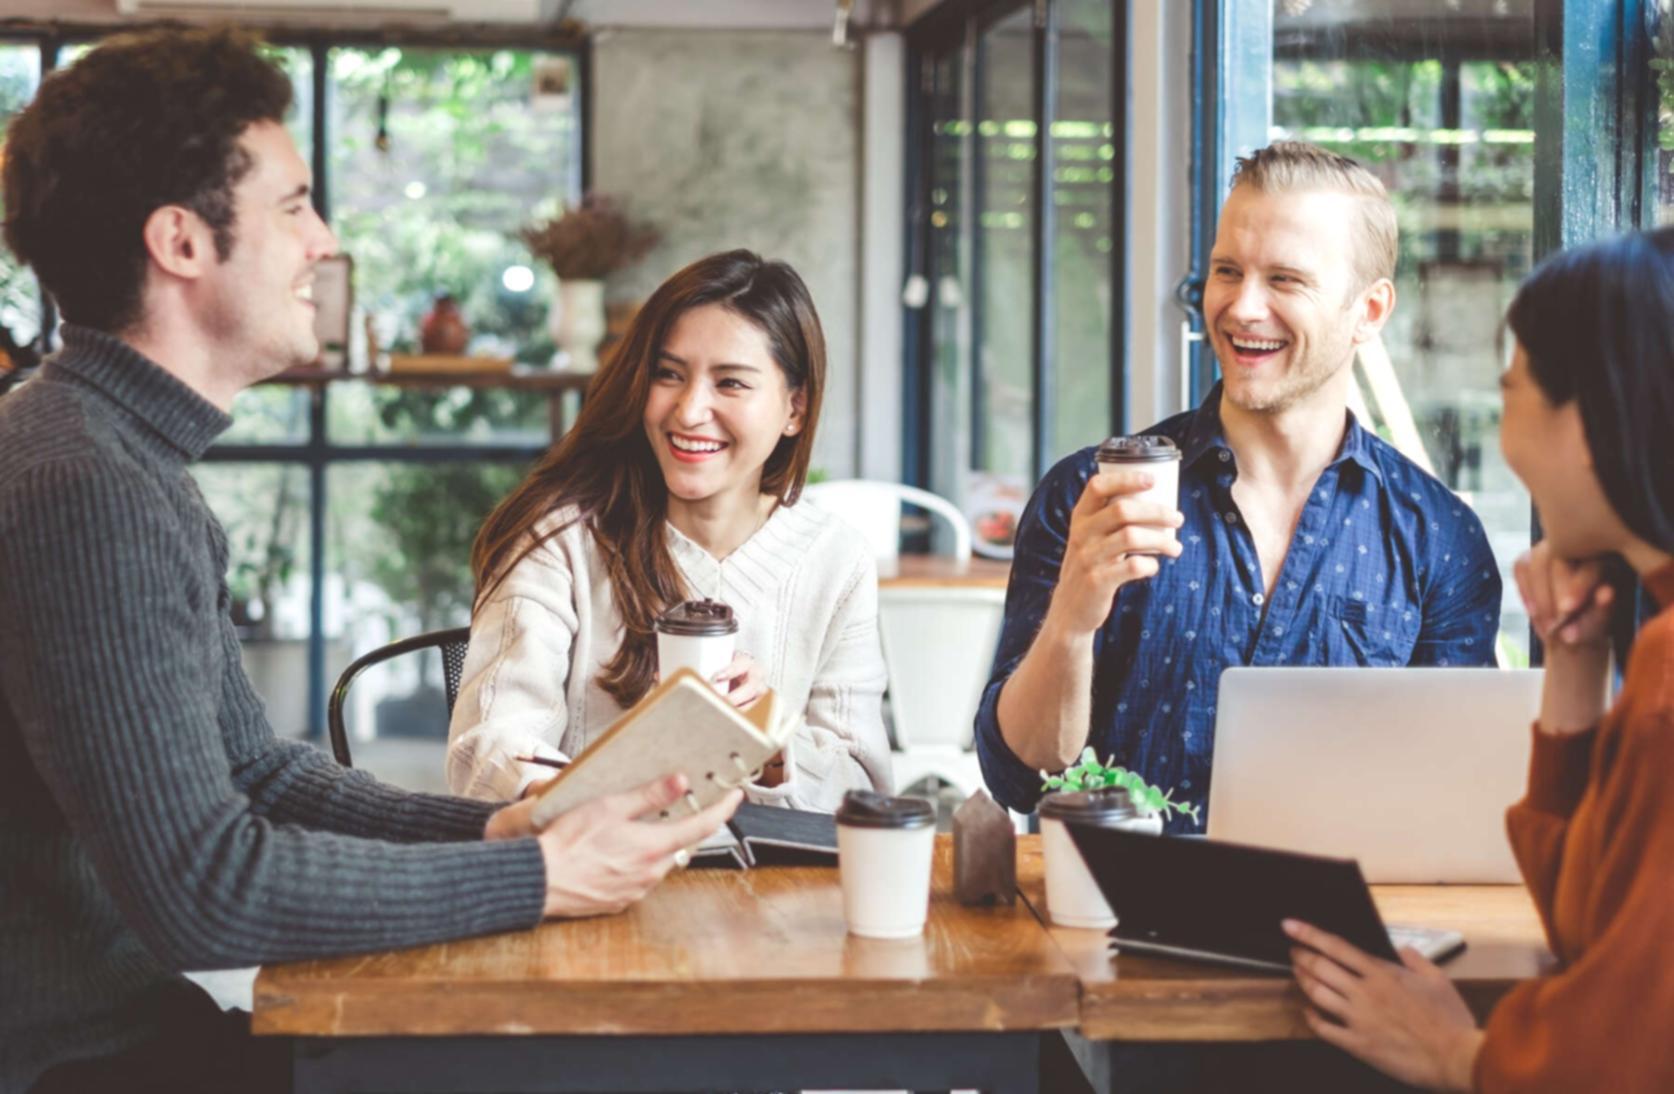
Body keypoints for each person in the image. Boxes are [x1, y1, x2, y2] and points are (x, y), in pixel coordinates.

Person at [0, 29, 738, 1093]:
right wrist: (539, 875)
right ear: (181, 242)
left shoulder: (119, 455)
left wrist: (502, 824)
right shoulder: (86, 485)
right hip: (75, 1060)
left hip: (124, 1031)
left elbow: (257, 773)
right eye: (294, 206)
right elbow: (201, 888)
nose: (325, 242)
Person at [975, 141, 1501, 827]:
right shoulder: (1090, 493)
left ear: (1369, 312)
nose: (1243, 307)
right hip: (1113, 923)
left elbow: (1459, 799)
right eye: (1228, 271)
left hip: (1329, 922)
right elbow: (1022, 777)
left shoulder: (1439, 539)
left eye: (1285, 280)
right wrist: (1072, 621)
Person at [1284, 229, 1674, 1091]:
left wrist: (1455, 1052)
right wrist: (1575, 660)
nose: (1504, 441)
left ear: (1593, 422)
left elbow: (1631, 1048)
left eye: (1512, 395)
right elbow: (1592, 926)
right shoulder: (1648, 652)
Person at [446, 250, 893, 811]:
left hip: (768, 892)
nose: (687, 411)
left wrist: (771, 744)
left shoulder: (837, 558)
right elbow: (486, 749)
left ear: (795, 409)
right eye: (669, 375)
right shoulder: (560, 543)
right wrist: (622, 777)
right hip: (587, 877)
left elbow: (863, 788)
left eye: (730, 383)